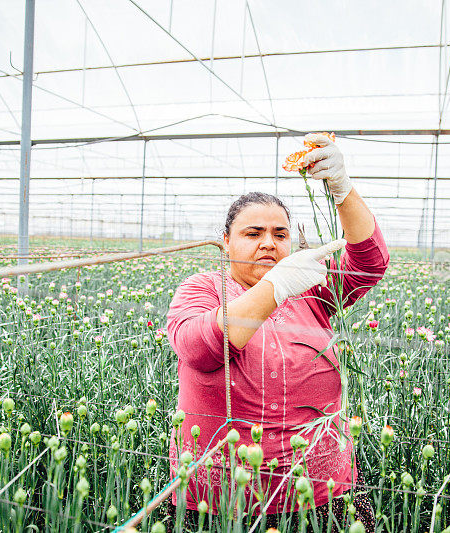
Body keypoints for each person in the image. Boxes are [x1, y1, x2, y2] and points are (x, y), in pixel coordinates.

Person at [166, 134, 389, 529]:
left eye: (280, 235)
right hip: (225, 500)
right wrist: (276, 287)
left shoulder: (309, 290)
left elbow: (369, 263)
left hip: (322, 489)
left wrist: (342, 188)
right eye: (253, 234)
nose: (269, 243)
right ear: (225, 241)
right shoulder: (203, 287)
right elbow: (198, 347)